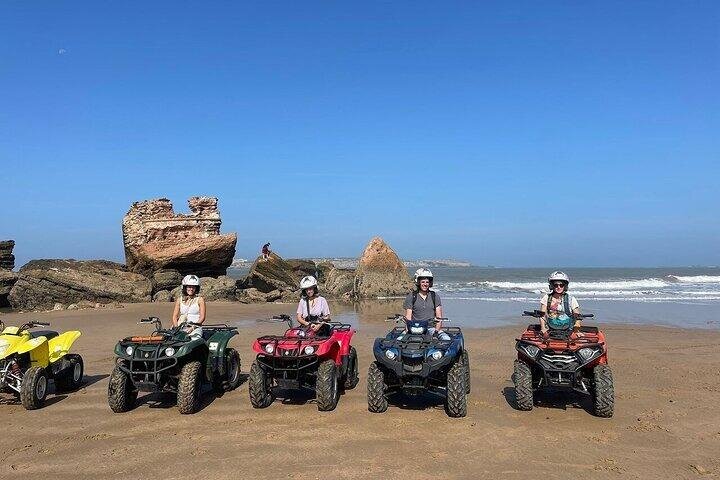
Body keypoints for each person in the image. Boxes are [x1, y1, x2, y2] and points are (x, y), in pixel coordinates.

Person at [403, 268, 449, 339]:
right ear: (418, 282)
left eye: (427, 282)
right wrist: (407, 332)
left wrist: (436, 332)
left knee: (446, 339)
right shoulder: (411, 296)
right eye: (423, 282)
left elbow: (439, 317)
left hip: (431, 328)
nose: (425, 284)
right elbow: (408, 317)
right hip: (415, 328)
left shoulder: (434, 296)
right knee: (399, 340)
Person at [539, 271, 582, 336]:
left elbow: (577, 316)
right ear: (552, 286)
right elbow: (542, 315)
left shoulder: (571, 299)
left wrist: (576, 329)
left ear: (565, 286)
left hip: (568, 329)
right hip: (550, 328)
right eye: (556, 285)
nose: (558, 287)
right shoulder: (546, 298)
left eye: (561, 285)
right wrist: (543, 328)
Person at [172, 274, 206, 339]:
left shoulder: (200, 300)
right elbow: (174, 316)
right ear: (185, 287)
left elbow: (202, 317)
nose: (191, 289)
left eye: (193, 287)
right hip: (180, 327)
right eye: (189, 287)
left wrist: (193, 327)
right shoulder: (179, 299)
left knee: (194, 340)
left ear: (196, 288)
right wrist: (176, 327)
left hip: (195, 328)